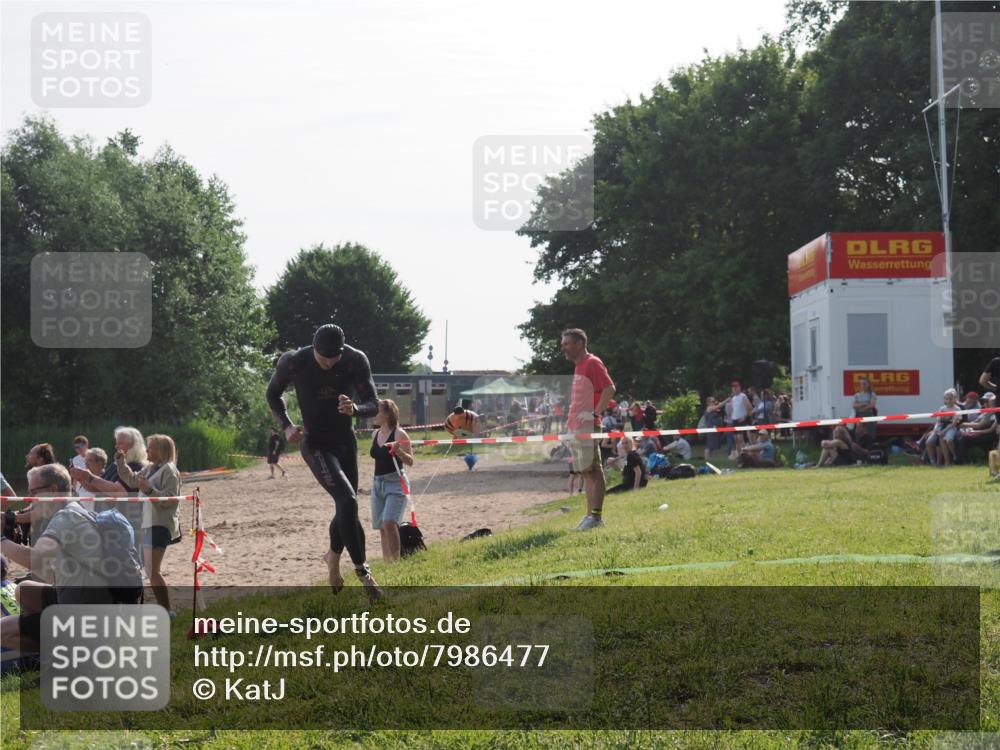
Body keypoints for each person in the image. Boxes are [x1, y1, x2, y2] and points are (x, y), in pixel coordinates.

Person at [266, 323, 382, 599]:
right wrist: (286, 425)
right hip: (315, 443)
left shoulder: (355, 360)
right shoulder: (294, 362)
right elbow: (273, 393)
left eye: (334, 357)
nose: (329, 363)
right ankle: (364, 573)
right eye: (323, 358)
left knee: (347, 504)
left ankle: (332, 557)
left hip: (344, 441)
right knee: (348, 500)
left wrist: (355, 409)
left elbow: (373, 403)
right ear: (313, 349)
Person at [0, 464, 112, 655]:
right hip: (91, 601)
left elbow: (34, 560)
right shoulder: (73, 509)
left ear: (52, 490)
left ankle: (67, 655)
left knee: (2, 630)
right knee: (24, 590)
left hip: (84, 612)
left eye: (34, 492)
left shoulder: (66, 518)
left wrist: (2, 539)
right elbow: (49, 571)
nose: (30, 498)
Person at [116, 434, 181, 613]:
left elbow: (170, 500)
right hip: (148, 523)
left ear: (161, 450)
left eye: (150, 447)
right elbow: (131, 480)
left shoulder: (169, 470)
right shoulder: (150, 468)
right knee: (150, 570)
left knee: (153, 571)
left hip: (160, 524)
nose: (146, 450)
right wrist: (121, 463)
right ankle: (166, 609)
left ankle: (167, 610)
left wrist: (150, 490)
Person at [562, 328, 615, 531]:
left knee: (592, 471)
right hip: (576, 427)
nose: (563, 348)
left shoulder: (592, 362)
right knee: (586, 472)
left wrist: (594, 414)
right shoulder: (579, 366)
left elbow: (609, 389)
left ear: (579, 344)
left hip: (587, 426)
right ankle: (589, 516)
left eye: (566, 344)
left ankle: (596, 517)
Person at [369, 399, 413, 563]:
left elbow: (410, 461)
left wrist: (399, 451)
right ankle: (387, 563)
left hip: (396, 483)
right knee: (382, 527)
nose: (374, 414)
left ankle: (396, 564)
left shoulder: (400, 434)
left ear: (387, 414)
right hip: (377, 483)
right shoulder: (375, 434)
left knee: (389, 522)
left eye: (377, 411)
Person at [957, 392, 997, 464]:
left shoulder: (994, 413)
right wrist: (968, 428)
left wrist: (963, 425)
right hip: (980, 434)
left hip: (987, 436)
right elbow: (975, 422)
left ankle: (963, 461)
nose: (985, 403)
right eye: (984, 401)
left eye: (986, 401)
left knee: (963, 439)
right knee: (959, 435)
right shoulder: (985, 412)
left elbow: (980, 425)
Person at [926, 388, 961, 466]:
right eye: (946, 399)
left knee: (947, 439)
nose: (948, 401)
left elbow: (954, 423)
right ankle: (933, 462)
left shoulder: (957, 409)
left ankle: (953, 455)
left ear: (954, 399)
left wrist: (943, 431)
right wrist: (935, 430)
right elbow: (938, 421)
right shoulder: (942, 408)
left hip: (950, 427)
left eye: (950, 399)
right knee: (928, 442)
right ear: (944, 399)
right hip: (940, 427)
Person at [722, 381, 753, 459]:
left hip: (741, 420)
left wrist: (744, 417)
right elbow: (733, 409)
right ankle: (740, 456)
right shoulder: (733, 398)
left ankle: (744, 456)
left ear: (739, 387)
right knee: (736, 439)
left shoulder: (743, 396)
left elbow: (750, 408)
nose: (735, 389)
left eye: (736, 387)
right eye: (733, 387)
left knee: (741, 438)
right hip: (734, 420)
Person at [75, 447, 108, 513]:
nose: (86, 463)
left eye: (89, 460)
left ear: (100, 463)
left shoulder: (107, 480)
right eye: (85, 460)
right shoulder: (83, 479)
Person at [851, 377, 878, 445]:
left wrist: (860, 406)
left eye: (864, 384)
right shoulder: (857, 395)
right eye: (861, 384)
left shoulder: (872, 394)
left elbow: (872, 405)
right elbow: (854, 405)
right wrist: (865, 404)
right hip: (859, 414)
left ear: (868, 384)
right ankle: (858, 446)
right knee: (858, 431)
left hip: (869, 414)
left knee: (870, 432)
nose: (863, 385)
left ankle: (870, 447)